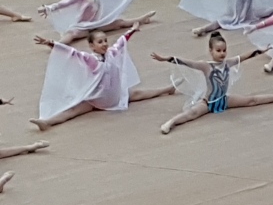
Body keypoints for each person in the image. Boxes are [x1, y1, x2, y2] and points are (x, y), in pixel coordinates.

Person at [30, 23, 176, 131]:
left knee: (138, 93)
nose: (104, 44)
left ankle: (166, 89)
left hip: (110, 96)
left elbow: (122, 41)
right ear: (92, 46)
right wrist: (52, 43)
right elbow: (72, 53)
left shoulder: (112, 53)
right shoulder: (91, 59)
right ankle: (47, 122)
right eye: (100, 42)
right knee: (73, 111)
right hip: (99, 98)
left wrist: (132, 30)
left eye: (105, 40)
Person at [151, 31, 273, 134]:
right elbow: (185, 62)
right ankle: (170, 123)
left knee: (252, 100)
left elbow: (244, 57)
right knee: (192, 113)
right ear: (211, 51)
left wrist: (260, 51)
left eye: (224, 50)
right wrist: (166, 59)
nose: (222, 53)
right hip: (208, 102)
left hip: (224, 99)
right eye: (218, 51)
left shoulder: (228, 63)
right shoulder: (205, 66)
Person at [37, 0, 156, 45]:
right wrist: (48, 8)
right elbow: (63, 3)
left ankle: (141, 19)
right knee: (71, 34)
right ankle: (56, 44)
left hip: (99, 23)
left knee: (119, 22)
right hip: (83, 25)